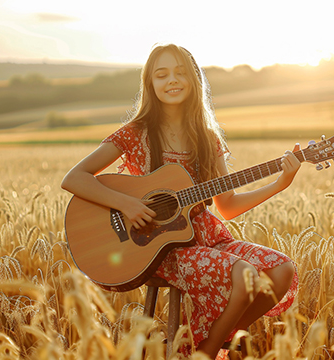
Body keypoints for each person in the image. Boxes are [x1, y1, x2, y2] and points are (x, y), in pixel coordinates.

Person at [61, 43, 301, 359]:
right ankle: (208, 352)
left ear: (193, 80)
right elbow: (74, 178)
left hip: (208, 238)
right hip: (160, 248)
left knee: (282, 270)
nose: (172, 80)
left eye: (180, 72)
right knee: (243, 275)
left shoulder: (207, 137)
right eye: (162, 74)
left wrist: (280, 183)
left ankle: (202, 346)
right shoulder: (136, 133)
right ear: (150, 83)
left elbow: (226, 206)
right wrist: (127, 204)